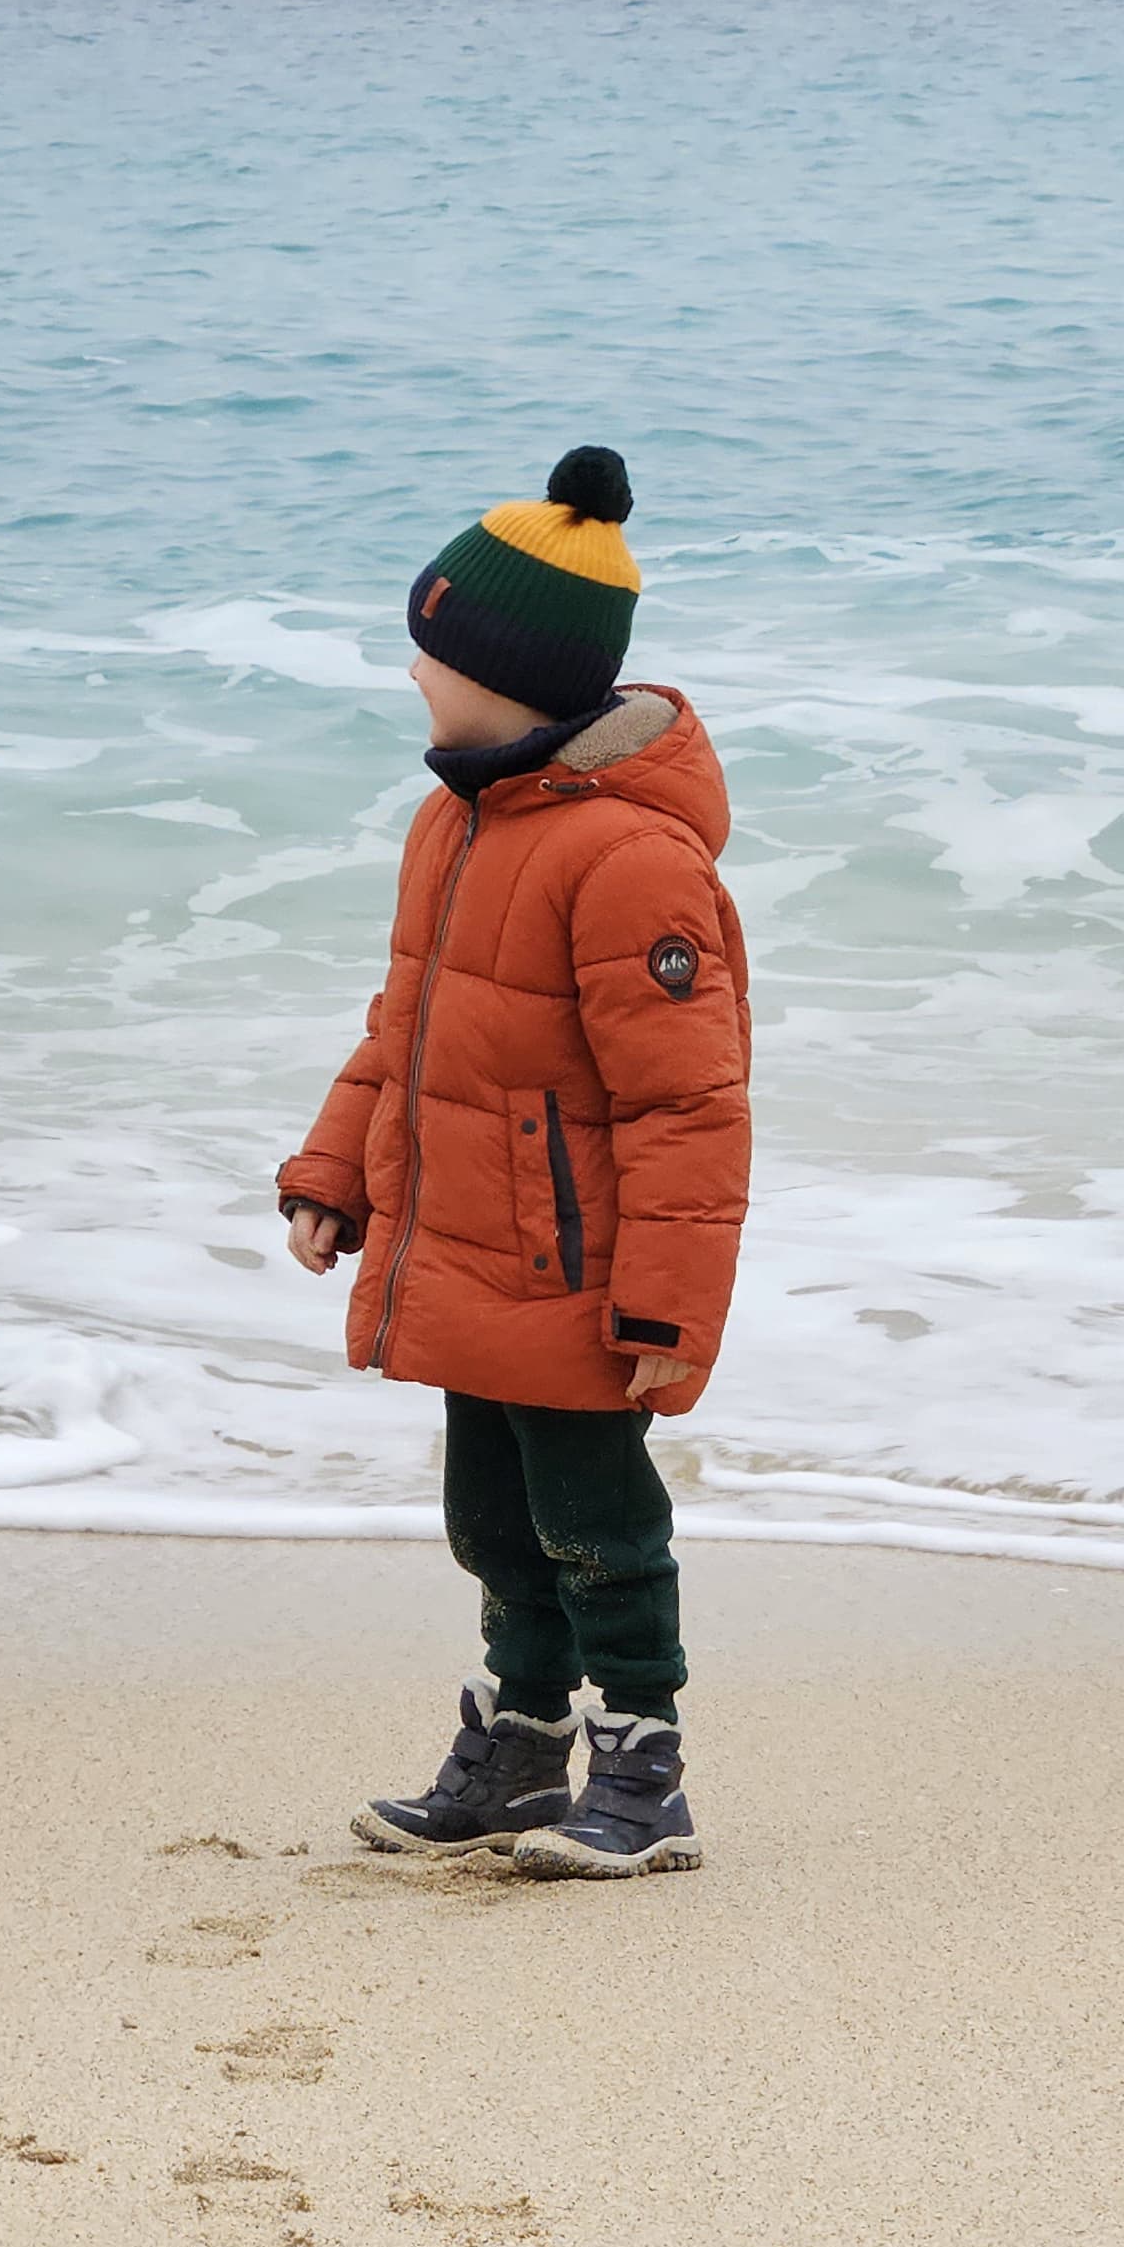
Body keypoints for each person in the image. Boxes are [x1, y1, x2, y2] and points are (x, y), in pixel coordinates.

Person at [277, 446, 750, 1877]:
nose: (414, 674)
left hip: (578, 1275)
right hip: (465, 1252)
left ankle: (645, 1767)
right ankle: (526, 1746)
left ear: (511, 674)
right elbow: (406, 1029)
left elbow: (689, 1111)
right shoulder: (457, 821)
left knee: (598, 1527)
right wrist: (337, 1171)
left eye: (431, 652)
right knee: (492, 1524)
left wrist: (667, 1311)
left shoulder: (627, 862)